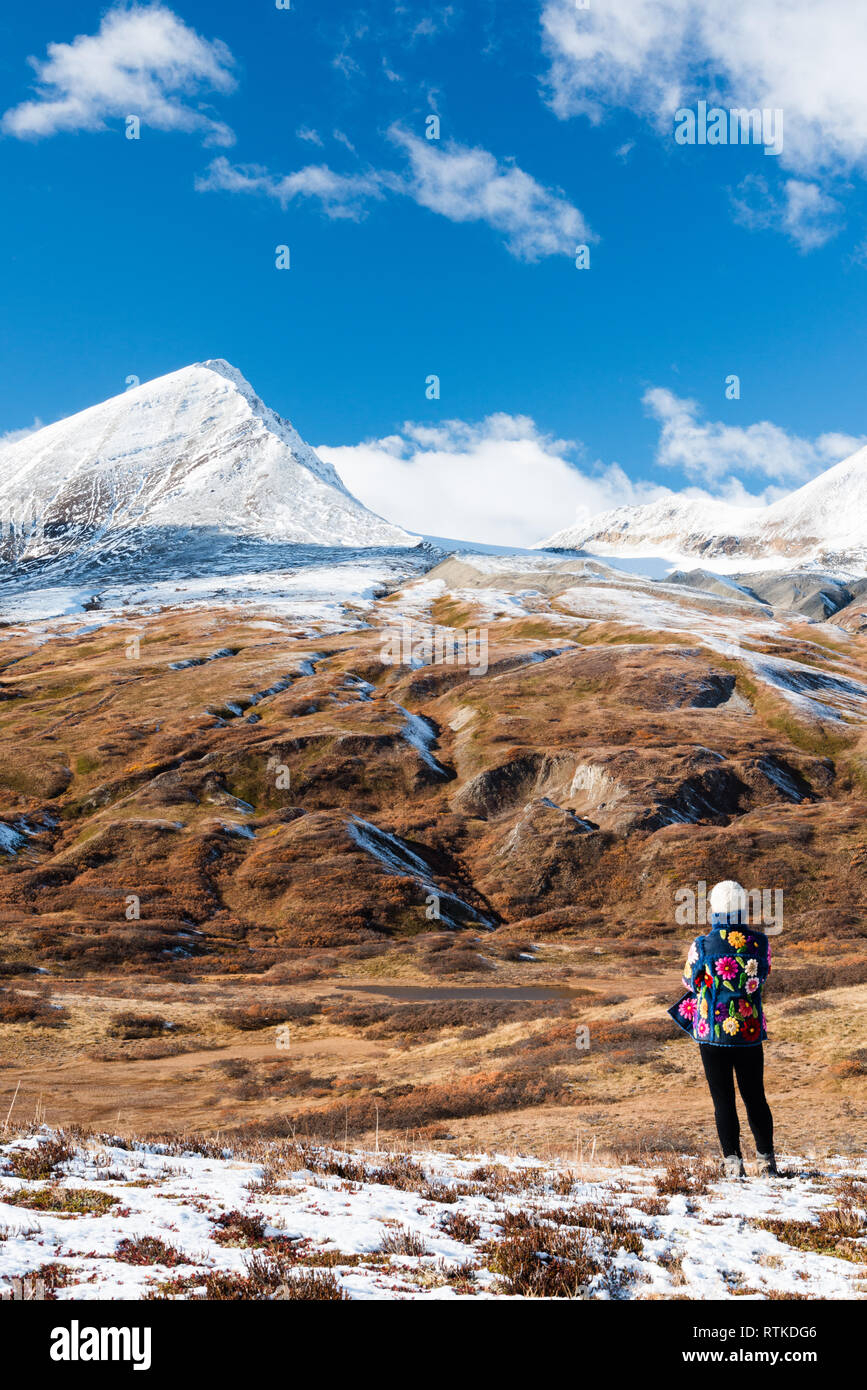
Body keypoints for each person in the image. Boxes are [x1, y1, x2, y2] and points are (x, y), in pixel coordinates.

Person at [668, 880, 776, 1178]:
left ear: (714, 909)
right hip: (749, 1032)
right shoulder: (760, 944)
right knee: (755, 1096)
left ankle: (733, 1163)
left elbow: (689, 981)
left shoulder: (702, 945)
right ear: (744, 908)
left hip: (712, 1035)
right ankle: (767, 1161)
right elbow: (762, 977)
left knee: (723, 1100)